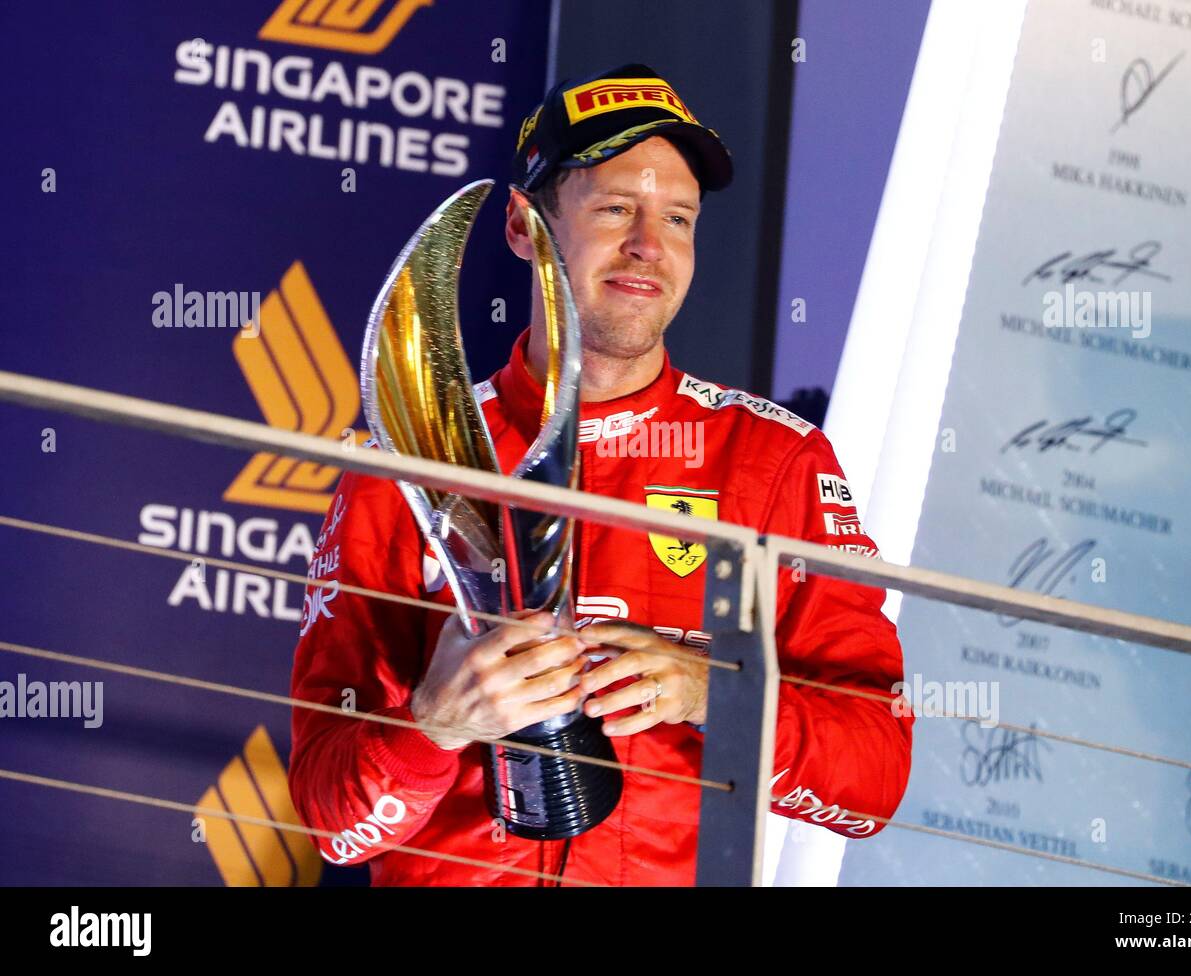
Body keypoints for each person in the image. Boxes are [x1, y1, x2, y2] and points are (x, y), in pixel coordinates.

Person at [288, 63, 913, 886]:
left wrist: (713, 696)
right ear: (522, 226)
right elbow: (333, 824)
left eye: (678, 218)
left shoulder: (777, 463)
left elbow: (873, 782)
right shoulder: (409, 455)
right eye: (617, 209)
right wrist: (434, 727)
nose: (649, 248)